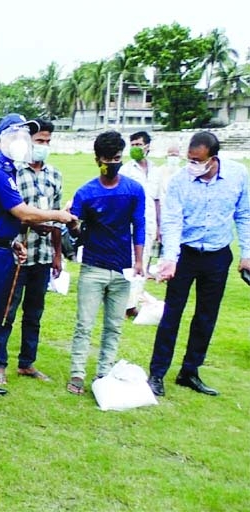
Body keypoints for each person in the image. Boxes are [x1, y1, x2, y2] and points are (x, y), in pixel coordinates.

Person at [0, 113, 75, 413]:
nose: (25, 142)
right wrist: (58, 215)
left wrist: (12, 240)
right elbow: (23, 212)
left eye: (28, 137)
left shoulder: (8, 168)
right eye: (20, 136)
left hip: (1, 248)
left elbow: (2, 216)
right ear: (3, 138)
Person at [147, 131, 250, 397]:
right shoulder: (181, 180)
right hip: (186, 254)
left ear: (212, 159)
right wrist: (170, 259)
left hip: (217, 254)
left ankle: (189, 371)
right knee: (172, 314)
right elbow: (172, 220)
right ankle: (157, 373)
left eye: (197, 160)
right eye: (189, 159)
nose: (191, 164)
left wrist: (246, 254)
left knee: (206, 316)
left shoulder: (238, 175)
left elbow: (244, 215)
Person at [66, 130, 146, 396]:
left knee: (114, 325)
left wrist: (139, 261)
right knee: (84, 324)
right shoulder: (86, 193)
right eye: (107, 159)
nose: (112, 164)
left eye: (116, 158)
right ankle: (77, 373)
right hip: (93, 267)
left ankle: (104, 372)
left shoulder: (133, 190)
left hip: (122, 268)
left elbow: (139, 225)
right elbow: (75, 231)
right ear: (97, 160)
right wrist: (75, 225)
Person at [0, 119, 62, 385]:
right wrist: (32, 222)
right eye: (38, 141)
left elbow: (56, 220)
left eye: (46, 141)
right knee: (7, 309)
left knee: (35, 312)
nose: (42, 146)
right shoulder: (14, 173)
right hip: (18, 252)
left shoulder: (54, 175)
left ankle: (27, 362)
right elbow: (11, 214)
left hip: (43, 254)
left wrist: (57, 254)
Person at [119, 131, 163, 315]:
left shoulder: (156, 171)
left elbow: (157, 199)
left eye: (139, 144)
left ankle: (131, 304)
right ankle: (122, 302)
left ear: (148, 146)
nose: (136, 148)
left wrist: (160, 227)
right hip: (129, 223)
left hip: (150, 223)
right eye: (133, 145)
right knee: (129, 262)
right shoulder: (126, 170)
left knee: (143, 264)